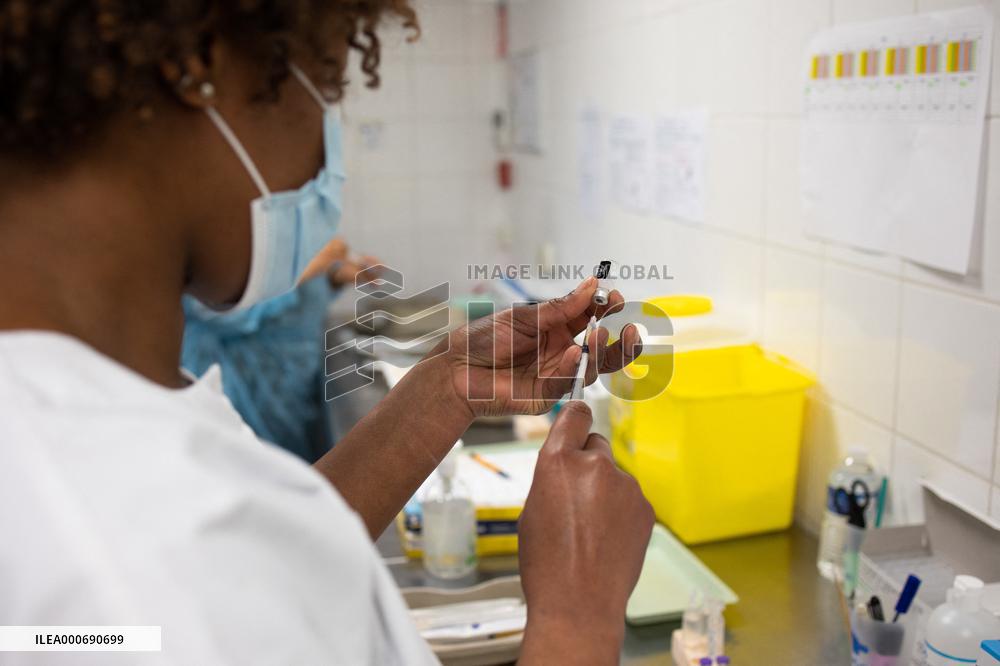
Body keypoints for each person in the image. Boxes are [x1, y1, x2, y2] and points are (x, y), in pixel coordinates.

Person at [0, 2, 653, 665]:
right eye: (327, 87)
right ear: (201, 70)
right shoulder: (139, 574)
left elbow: (256, 573)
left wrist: (443, 389)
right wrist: (578, 618)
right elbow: (192, 604)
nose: (324, 156)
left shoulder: (81, 410)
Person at [181, 237, 377, 461]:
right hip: (248, 388)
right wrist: (308, 268)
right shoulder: (216, 238)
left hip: (292, 385)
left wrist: (334, 275)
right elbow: (223, 312)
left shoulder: (283, 231)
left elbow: (299, 284)